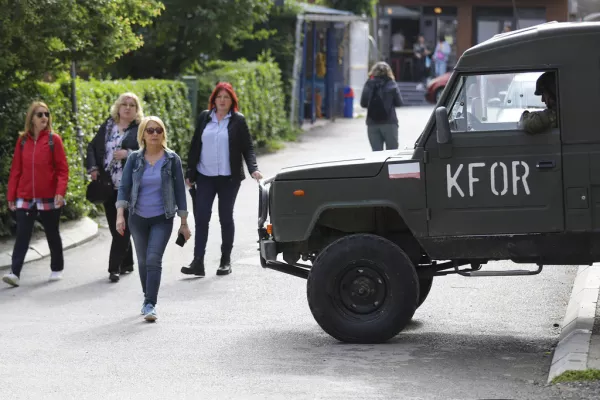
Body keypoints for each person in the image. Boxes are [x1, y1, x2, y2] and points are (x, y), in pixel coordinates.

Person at [182, 82, 262, 277]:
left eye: (226, 97)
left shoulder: (237, 120)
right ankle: (198, 262)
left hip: (229, 178)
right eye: (219, 97)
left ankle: (225, 261)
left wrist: (253, 169)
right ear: (214, 100)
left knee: (225, 217)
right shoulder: (204, 117)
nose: (222, 101)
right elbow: (195, 146)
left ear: (232, 100)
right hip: (205, 176)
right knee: (201, 218)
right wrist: (190, 172)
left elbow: (247, 148)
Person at [116, 116, 191, 322]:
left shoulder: (171, 159)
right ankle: (146, 298)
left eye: (158, 130)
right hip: (137, 217)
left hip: (162, 217)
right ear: (143, 134)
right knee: (142, 260)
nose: (154, 134)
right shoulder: (134, 159)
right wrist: (120, 215)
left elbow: (179, 192)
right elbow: (124, 187)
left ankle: (150, 303)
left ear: (163, 133)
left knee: (153, 259)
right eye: (150, 130)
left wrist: (183, 223)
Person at [3, 101, 69, 287]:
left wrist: (60, 192)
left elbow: (62, 170)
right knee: (22, 234)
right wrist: (11, 196)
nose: (44, 118)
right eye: (40, 114)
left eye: (46, 114)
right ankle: (14, 273)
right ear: (31, 118)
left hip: (49, 196)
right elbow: (16, 169)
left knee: (52, 233)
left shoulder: (53, 140)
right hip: (25, 196)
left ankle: (57, 268)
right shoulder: (22, 141)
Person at [86, 92, 143, 283]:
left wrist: (128, 153)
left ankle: (114, 268)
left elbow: (150, 152)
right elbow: (92, 147)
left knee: (123, 227)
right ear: (118, 107)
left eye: (132, 105)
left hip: (129, 186)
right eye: (124, 104)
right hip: (108, 185)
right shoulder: (108, 125)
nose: (127, 108)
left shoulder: (140, 129)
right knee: (114, 227)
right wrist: (93, 168)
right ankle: (127, 263)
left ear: (136, 110)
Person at [360, 62, 404, 152]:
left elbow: (363, 103)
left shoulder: (368, 84)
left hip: (372, 123)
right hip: (390, 123)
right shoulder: (392, 84)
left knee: (376, 154)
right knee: (392, 153)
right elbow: (399, 103)